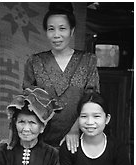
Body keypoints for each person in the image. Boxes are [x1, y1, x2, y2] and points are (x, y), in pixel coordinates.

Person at [22, 2, 100, 152]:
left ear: (72, 31)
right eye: (51, 29)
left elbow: (92, 100)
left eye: (62, 28)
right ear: (46, 32)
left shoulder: (87, 60)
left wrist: (75, 130)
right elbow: (28, 102)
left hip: (79, 140)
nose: (56, 35)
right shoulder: (35, 62)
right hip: (41, 142)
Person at [59, 89, 130, 165]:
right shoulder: (69, 147)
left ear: (107, 119)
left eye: (96, 116)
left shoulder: (118, 148)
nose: (90, 122)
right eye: (84, 116)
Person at [0, 88, 62, 165]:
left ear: (42, 127)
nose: (26, 129)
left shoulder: (52, 155)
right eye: (21, 122)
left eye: (32, 123)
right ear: (15, 124)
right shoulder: (3, 151)